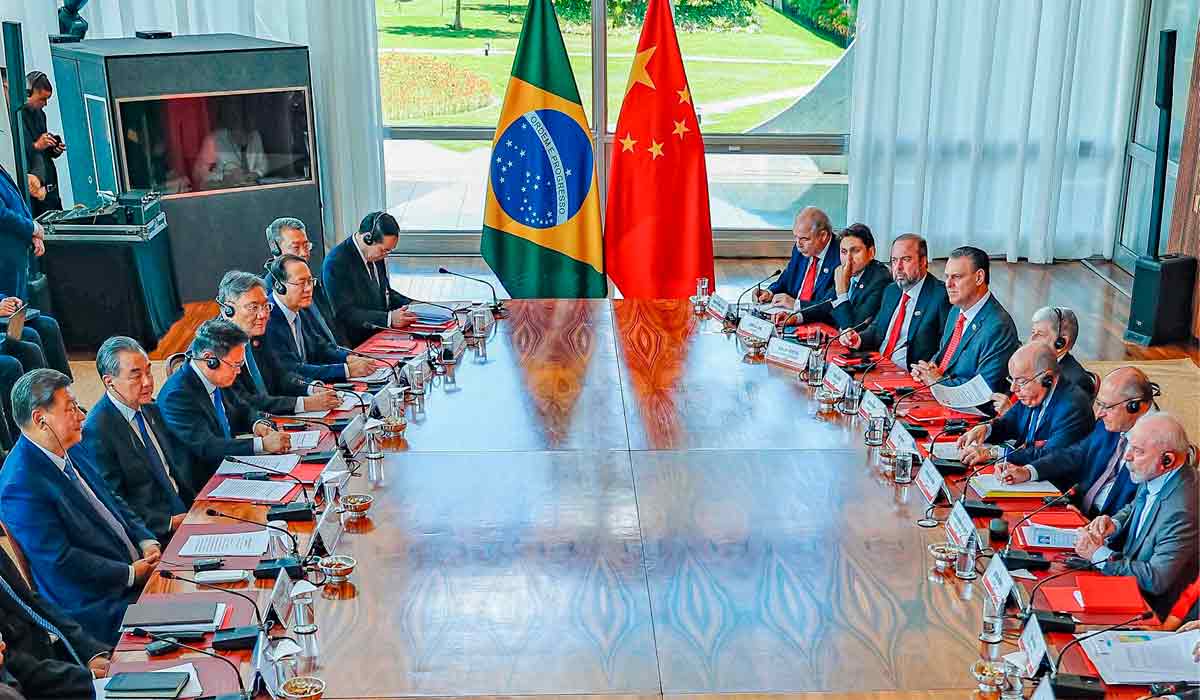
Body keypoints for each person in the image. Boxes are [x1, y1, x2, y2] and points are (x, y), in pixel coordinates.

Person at [0, 369, 161, 644]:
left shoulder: (72, 445)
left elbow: (112, 500)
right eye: (71, 408)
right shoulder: (19, 484)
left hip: (137, 568)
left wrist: (144, 538)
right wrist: (130, 574)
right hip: (98, 604)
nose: (81, 415)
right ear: (41, 419)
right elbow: (60, 561)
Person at [1074, 412, 1198, 619]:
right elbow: (1136, 505)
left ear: (1167, 459)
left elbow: (1156, 580)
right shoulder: (1161, 475)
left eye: (1137, 451)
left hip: (1150, 609)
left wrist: (1098, 556)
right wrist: (1114, 523)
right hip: (1124, 581)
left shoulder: (1182, 511)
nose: (1126, 457)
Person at [998, 367, 1156, 518]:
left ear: (1135, 407)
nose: (1099, 414)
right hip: (1077, 511)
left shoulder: (1156, 447)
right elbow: (1076, 454)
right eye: (1099, 404)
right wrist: (1028, 471)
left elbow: (1138, 512)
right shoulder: (1114, 421)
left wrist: (1101, 527)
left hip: (1106, 530)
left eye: (1106, 407)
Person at [156, 319, 291, 493]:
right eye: (235, 364)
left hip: (231, 469)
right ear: (209, 360)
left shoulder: (215, 378)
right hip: (205, 486)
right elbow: (208, 446)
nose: (239, 371)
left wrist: (257, 424)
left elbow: (242, 409)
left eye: (240, 364)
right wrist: (262, 444)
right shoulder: (177, 396)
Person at [80, 337, 192, 542]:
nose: (148, 382)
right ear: (109, 381)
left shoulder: (151, 408)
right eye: (136, 375)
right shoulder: (97, 430)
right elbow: (114, 501)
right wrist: (168, 522)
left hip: (189, 510)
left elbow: (175, 466)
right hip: (158, 533)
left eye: (148, 371)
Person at [216, 270, 340, 414]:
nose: (263, 315)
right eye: (253, 307)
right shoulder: (217, 349)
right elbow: (245, 402)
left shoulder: (257, 334)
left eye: (265, 306)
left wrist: (311, 387)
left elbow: (280, 376)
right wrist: (304, 403)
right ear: (228, 310)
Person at [955, 343, 1093, 466]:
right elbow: (1009, 423)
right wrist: (986, 429)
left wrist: (993, 453)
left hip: (1053, 485)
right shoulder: (1033, 394)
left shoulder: (1073, 406)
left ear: (1047, 379)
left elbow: (1050, 456)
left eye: (1020, 381)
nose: (1013, 389)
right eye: (1012, 379)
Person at [0, 546, 109, 699]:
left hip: (59, 662)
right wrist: (86, 678)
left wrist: (89, 652)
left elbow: (30, 600)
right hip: (38, 685)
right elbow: (10, 662)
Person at [911, 246, 1019, 396]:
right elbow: (945, 356)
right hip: (938, 397)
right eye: (947, 276)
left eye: (956, 277)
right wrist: (926, 369)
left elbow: (984, 391)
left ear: (979, 277)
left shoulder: (998, 327)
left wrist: (936, 381)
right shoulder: (956, 310)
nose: (948, 284)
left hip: (968, 413)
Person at [264, 255, 378, 388]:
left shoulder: (299, 308)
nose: (308, 288)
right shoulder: (267, 319)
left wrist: (348, 357)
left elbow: (319, 346)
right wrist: (346, 370)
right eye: (301, 283)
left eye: (310, 281)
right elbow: (291, 369)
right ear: (279, 286)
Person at [842, 233, 952, 370]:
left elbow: (946, 346)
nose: (898, 267)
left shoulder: (941, 296)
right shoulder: (891, 290)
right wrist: (858, 339)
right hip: (877, 367)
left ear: (923, 261)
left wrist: (930, 368)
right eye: (894, 260)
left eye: (905, 259)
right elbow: (877, 329)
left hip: (908, 376)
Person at [322, 211, 417, 346]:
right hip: (356, 342)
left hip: (382, 335)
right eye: (384, 250)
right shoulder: (336, 262)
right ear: (368, 238)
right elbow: (344, 313)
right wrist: (388, 319)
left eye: (389, 250)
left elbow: (385, 293)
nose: (386, 255)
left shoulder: (375, 254)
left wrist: (413, 306)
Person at [774, 223, 890, 331]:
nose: (848, 259)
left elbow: (853, 330)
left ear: (871, 253)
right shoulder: (845, 271)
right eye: (844, 252)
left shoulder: (880, 280)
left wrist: (841, 291)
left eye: (855, 251)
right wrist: (796, 317)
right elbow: (825, 305)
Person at [265, 217, 342, 346]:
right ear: (275, 250)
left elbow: (332, 325)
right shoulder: (269, 293)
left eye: (306, 246)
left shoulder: (311, 281)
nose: (303, 253)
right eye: (296, 247)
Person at [755, 207, 837, 324]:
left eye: (804, 238)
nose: (798, 244)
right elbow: (788, 277)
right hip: (786, 315)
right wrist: (770, 292)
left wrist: (795, 304)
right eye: (796, 237)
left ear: (823, 236)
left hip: (816, 323)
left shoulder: (841, 256)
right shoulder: (800, 249)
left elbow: (830, 304)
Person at [17, 71, 64, 216]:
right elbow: (16, 152)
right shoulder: (17, 116)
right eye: (42, 99)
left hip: (50, 191)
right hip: (35, 194)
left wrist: (53, 149)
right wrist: (36, 145)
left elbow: (41, 151)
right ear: (28, 93)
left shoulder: (39, 115)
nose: (45, 104)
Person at [1028, 306, 1096, 396]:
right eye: (1033, 332)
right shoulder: (1033, 366)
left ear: (1061, 343)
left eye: (1040, 334)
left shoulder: (1077, 382)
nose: (1032, 339)